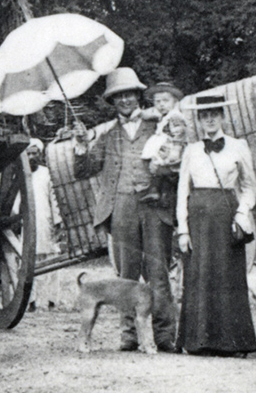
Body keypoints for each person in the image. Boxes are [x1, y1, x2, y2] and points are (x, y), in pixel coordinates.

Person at [72, 67, 178, 353]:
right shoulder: (107, 136)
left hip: (155, 208)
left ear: (138, 95)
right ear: (112, 101)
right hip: (120, 210)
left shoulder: (157, 127)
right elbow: (83, 170)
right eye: (119, 96)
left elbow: (176, 161)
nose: (126, 100)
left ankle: (165, 335)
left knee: (158, 272)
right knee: (125, 276)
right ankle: (130, 336)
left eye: (130, 93)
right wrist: (81, 146)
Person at [175, 94, 256, 356]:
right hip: (198, 217)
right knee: (199, 276)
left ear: (223, 115)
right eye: (204, 115)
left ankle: (232, 342)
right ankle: (199, 341)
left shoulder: (238, 146)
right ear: (199, 120)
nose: (209, 119)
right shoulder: (191, 150)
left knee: (227, 276)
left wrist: (242, 213)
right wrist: (183, 229)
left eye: (214, 113)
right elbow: (182, 192)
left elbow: (249, 187)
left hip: (226, 217)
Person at [27, 138, 62, 258]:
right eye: (28, 154)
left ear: (40, 154)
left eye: (34, 153)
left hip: (44, 217)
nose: (31, 157)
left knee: (48, 249)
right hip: (26, 220)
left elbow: (54, 198)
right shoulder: (20, 175)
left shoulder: (46, 173)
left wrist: (57, 220)